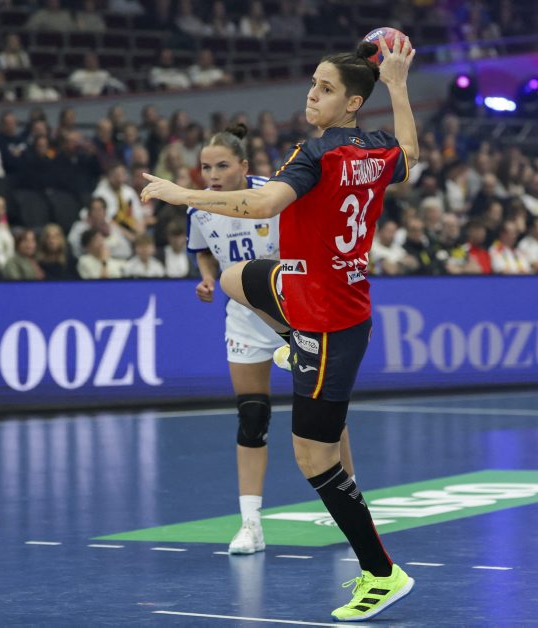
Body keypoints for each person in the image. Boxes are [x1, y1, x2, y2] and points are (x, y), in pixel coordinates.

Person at [142, 36, 417, 622]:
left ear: (351, 104)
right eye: (312, 83)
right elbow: (411, 154)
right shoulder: (376, 149)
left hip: (326, 322)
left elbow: (264, 206)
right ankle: (288, 340)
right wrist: (398, 86)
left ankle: (381, 573)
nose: (311, 94)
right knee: (236, 275)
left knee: (315, 459)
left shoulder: (317, 154)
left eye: (325, 88)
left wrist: (182, 194)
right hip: (321, 296)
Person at [185, 124, 356, 555]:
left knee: (326, 415)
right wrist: (207, 279)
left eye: (222, 166)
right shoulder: (199, 208)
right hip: (244, 318)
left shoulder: (276, 193)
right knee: (252, 417)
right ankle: (251, 525)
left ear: (244, 165)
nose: (213, 175)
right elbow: (202, 249)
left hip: (293, 309)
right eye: (206, 167)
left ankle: (350, 511)